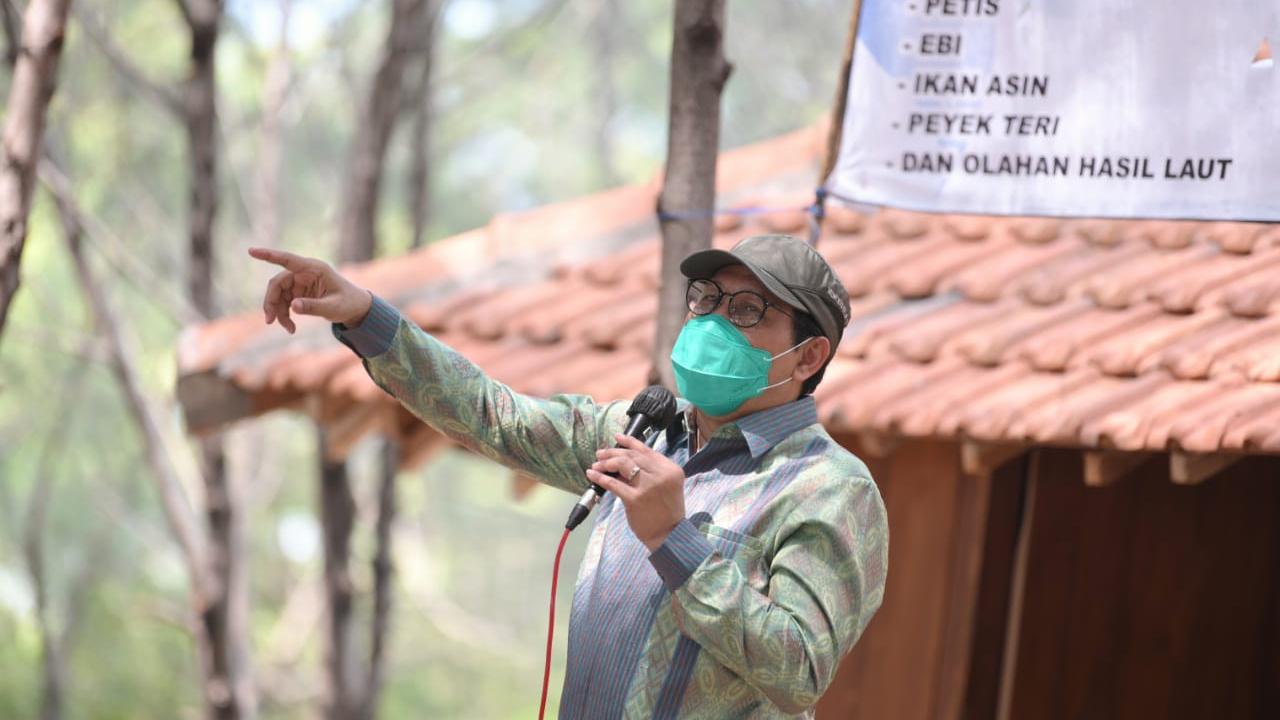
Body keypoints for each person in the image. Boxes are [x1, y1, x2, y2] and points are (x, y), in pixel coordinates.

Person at [249, 233, 888, 719]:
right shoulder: (642, 430)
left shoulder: (831, 489)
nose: (714, 322)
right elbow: (494, 417)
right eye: (707, 300)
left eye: (748, 311)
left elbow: (800, 667)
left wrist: (676, 539)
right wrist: (364, 315)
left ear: (807, 355)